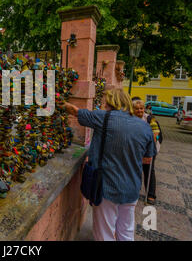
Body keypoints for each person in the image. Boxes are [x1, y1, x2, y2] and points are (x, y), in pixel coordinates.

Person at [65, 88, 156, 241]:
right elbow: (148, 159)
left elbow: (75, 111)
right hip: (132, 187)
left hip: (106, 187)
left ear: (110, 102)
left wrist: (56, 101)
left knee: (104, 232)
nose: (104, 103)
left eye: (105, 100)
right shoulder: (145, 126)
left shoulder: (103, 118)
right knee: (126, 230)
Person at [132, 99, 160, 205]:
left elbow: (155, 134)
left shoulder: (149, 118)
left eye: (141, 108)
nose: (139, 110)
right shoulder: (131, 117)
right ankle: (135, 189)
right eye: (137, 108)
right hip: (136, 148)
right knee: (135, 169)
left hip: (150, 148)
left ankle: (151, 195)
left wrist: (147, 150)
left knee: (149, 170)